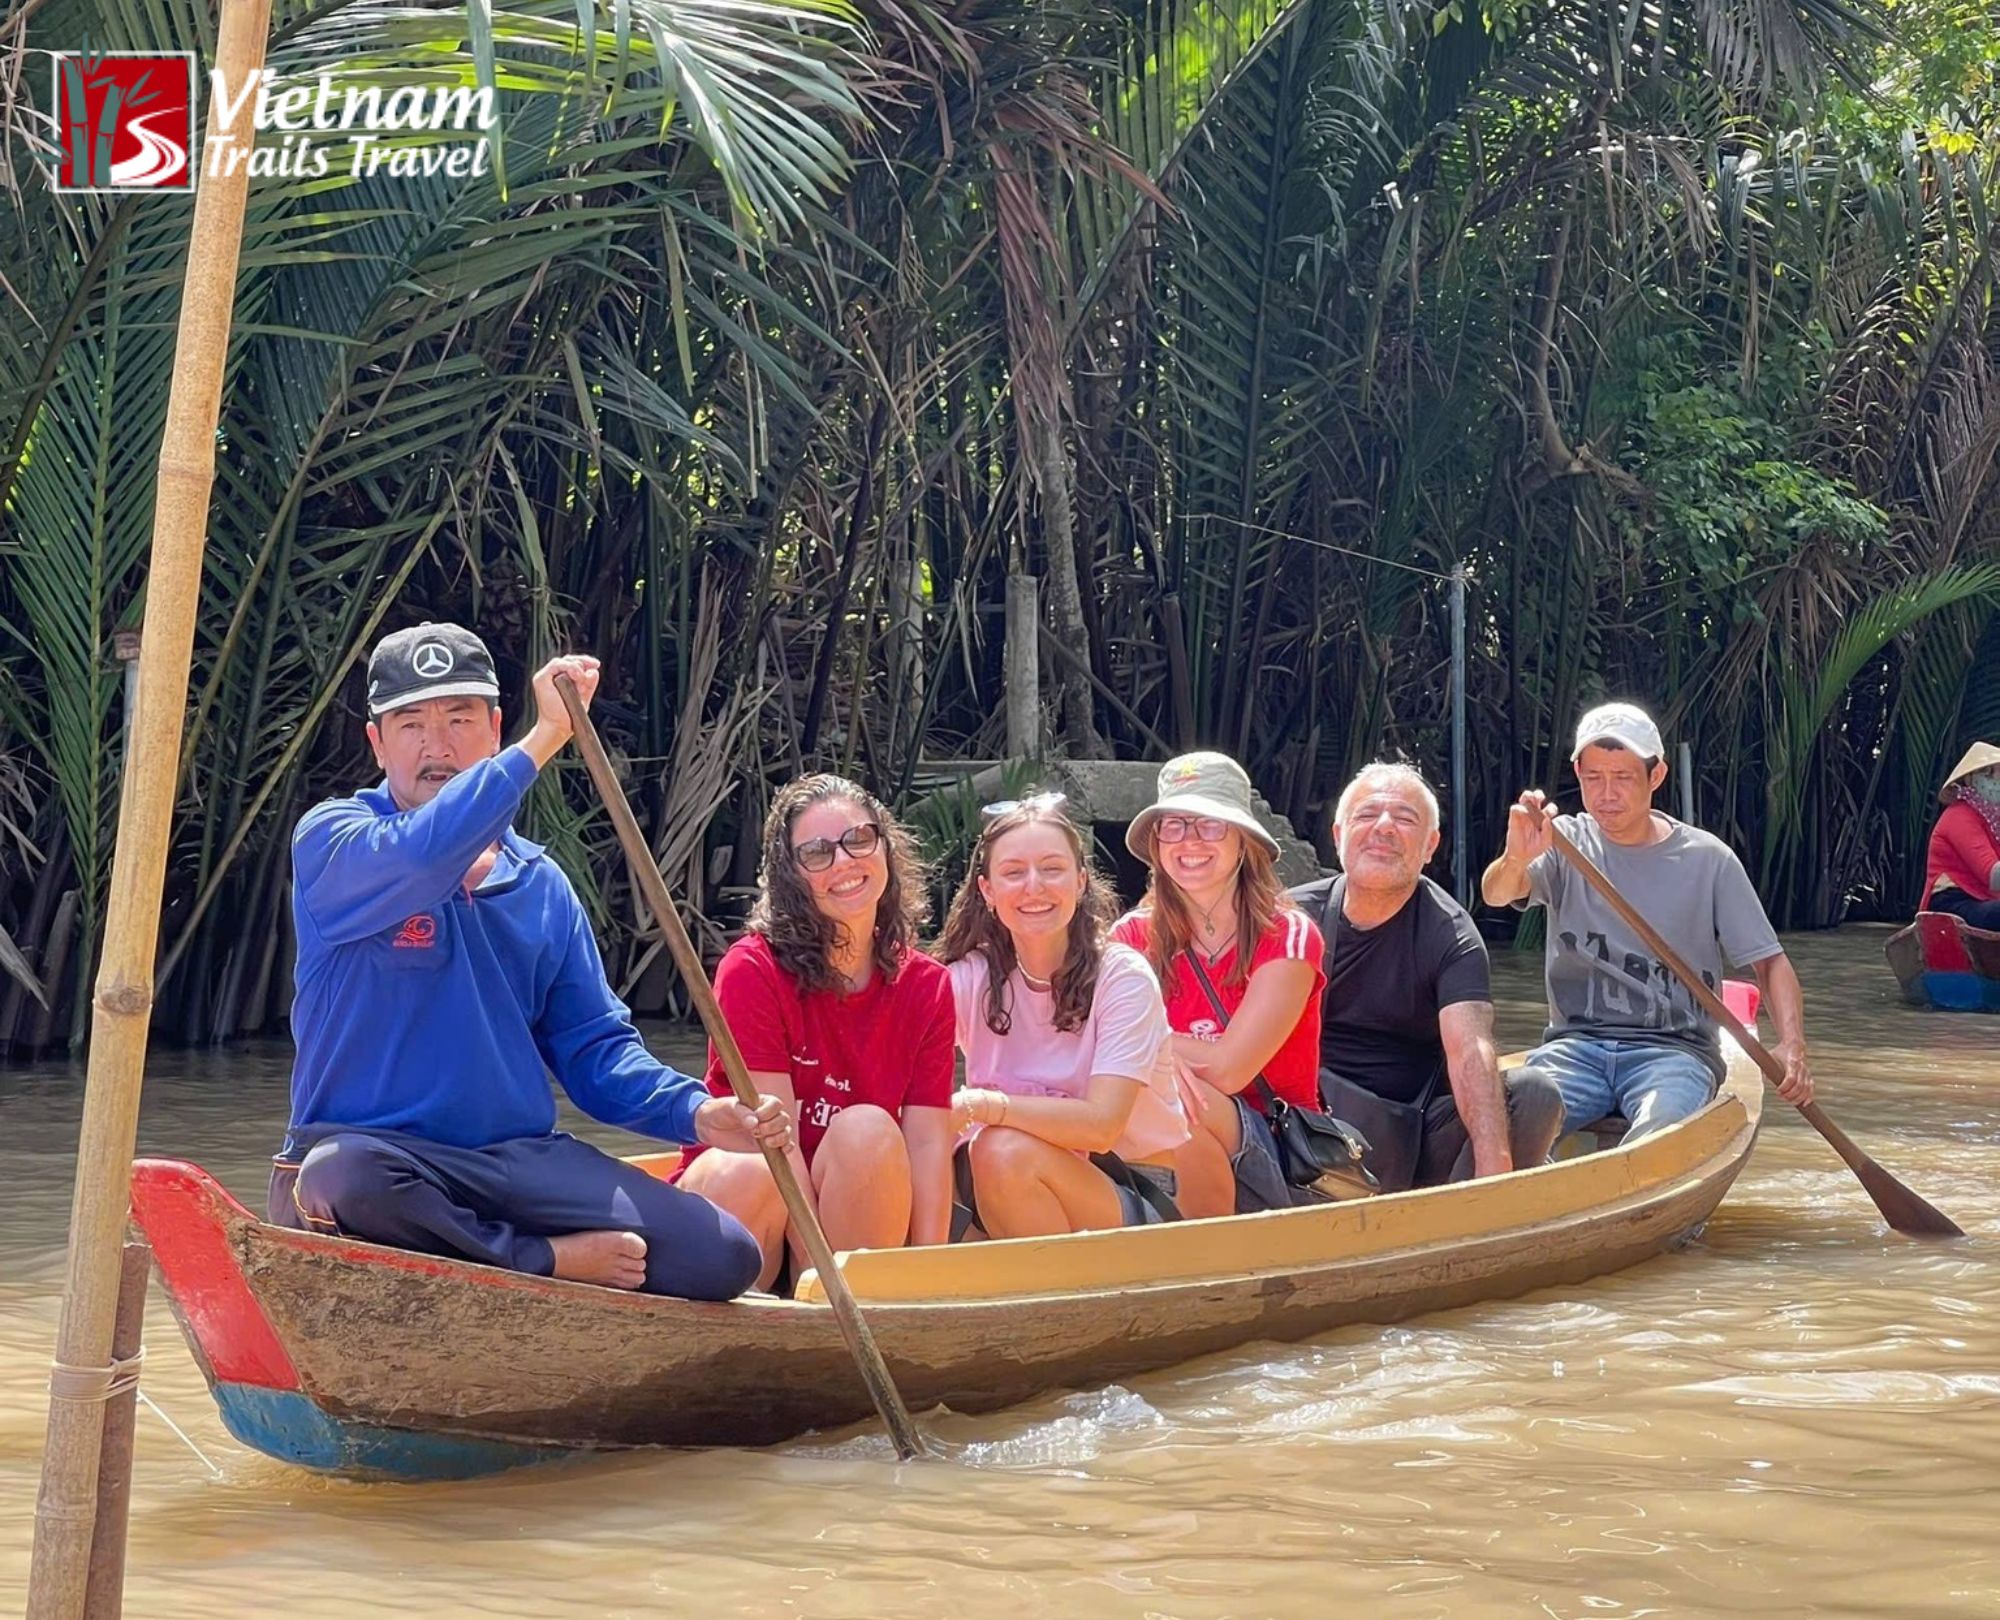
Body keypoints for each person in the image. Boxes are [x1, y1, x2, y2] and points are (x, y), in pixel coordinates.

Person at [275, 622, 783, 1299]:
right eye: (411, 724)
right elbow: (427, 854)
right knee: (341, 1177)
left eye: (459, 719)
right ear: (378, 743)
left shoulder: (541, 884)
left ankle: (500, 1252)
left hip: (513, 1165)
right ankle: (540, 1260)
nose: (437, 745)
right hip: (377, 1162)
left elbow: (596, 1052)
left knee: (720, 1255)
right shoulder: (333, 840)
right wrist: (546, 736)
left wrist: (696, 1112)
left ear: (492, 730)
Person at [1480, 701, 1815, 1141]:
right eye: (1594, 777)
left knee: (1659, 1136)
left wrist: (1792, 1045)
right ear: (1577, 773)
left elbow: (1769, 962)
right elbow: (1497, 893)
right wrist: (1515, 858)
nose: (1607, 794)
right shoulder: (1563, 842)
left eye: (1623, 777)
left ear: (1656, 776)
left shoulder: (1708, 860)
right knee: (1508, 1121)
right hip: (1575, 1048)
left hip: (1675, 1053)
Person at [675, 774, 954, 1291]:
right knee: (752, 1167)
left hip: (847, 1216)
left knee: (869, 1131)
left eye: (859, 839)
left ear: (885, 847)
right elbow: (774, 1141)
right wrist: (814, 1274)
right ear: (791, 875)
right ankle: (808, 1300)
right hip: (755, 1211)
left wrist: (929, 1276)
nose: (844, 862)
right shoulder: (751, 970)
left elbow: (927, 1144)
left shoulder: (928, 985)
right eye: (818, 853)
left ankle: (860, 1299)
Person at [1288, 763, 1563, 1186]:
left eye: (1404, 818)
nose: (1384, 827)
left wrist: (1494, 1175)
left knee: (1534, 1094)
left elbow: (1470, 1049)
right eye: (1367, 814)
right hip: (1303, 1126)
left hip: (1408, 1139)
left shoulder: (1449, 932)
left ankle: (1469, 1212)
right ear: (1338, 835)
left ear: (1430, 845)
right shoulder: (1290, 917)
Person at [936, 796, 1188, 1237]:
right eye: (1014, 872)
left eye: (1052, 869)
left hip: (1128, 1190)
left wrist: (981, 1105)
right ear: (988, 891)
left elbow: (1101, 1126)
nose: (1034, 886)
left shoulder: (1122, 976)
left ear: (1081, 881)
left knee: (1000, 1149)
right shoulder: (970, 977)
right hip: (999, 1178)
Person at [1110, 753, 1324, 1216]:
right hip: (1162, 1132)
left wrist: (1152, 1050)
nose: (1190, 841)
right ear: (1157, 844)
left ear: (1243, 841)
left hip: (1277, 1146)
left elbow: (1228, 1070)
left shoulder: (1288, 934)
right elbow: (1088, 1042)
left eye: (1210, 825)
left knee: (1160, 1092)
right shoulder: (1128, 937)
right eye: (1174, 826)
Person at [1921, 741, 2000, 929]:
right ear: (1971, 779)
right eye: (1992, 774)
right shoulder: (1959, 816)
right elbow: (1992, 875)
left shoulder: (1992, 820)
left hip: (1983, 900)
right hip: (1951, 904)